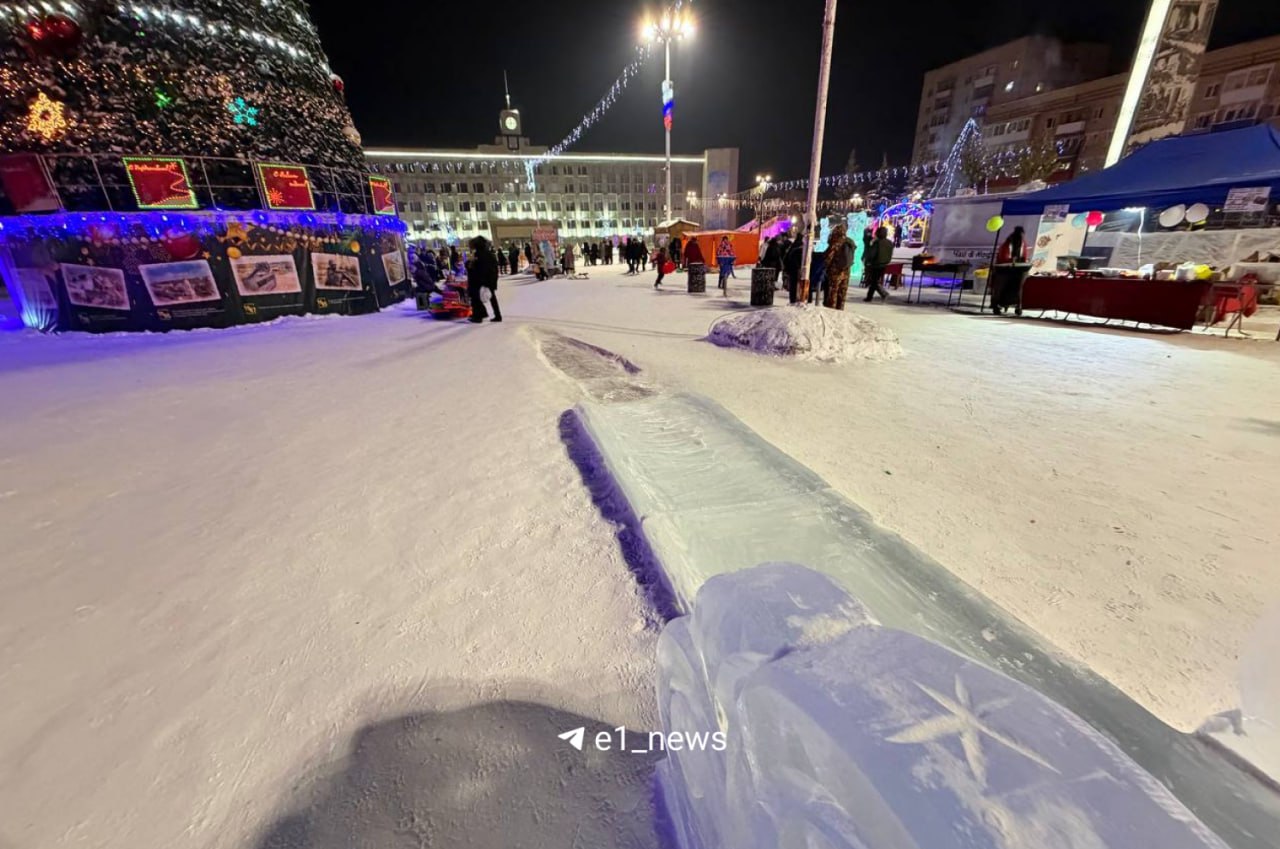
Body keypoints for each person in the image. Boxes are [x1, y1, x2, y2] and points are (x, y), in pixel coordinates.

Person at [992, 226, 1030, 315]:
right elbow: (1003, 257)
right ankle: (996, 305)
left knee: (1019, 286)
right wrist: (1011, 260)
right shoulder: (1006, 244)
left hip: (1018, 269)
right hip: (1003, 269)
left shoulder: (1023, 243)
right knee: (1000, 287)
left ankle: (1018, 305)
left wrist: (1023, 261)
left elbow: (1024, 255)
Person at [466, 235, 501, 323]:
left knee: (475, 297)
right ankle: (497, 315)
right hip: (490, 279)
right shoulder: (489, 254)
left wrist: (469, 265)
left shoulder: (479, 255)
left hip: (481, 280)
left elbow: (476, 268)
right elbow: (494, 267)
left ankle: (478, 316)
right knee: (492, 297)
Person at [822, 225, 855, 310]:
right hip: (846, 271)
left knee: (833, 292)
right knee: (842, 293)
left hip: (835, 271)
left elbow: (828, 257)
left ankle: (831, 310)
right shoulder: (849, 241)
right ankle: (840, 310)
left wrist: (824, 265)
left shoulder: (836, 242)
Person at [863, 226, 893, 303]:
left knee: (873, 281)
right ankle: (870, 297)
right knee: (874, 281)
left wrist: (868, 261)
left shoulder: (877, 243)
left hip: (876, 264)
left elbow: (872, 254)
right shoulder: (889, 243)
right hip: (884, 264)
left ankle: (882, 294)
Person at [783, 235, 804, 304]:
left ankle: (792, 300)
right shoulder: (801, 248)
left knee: (793, 285)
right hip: (799, 269)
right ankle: (798, 299)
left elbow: (786, 258)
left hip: (792, 269)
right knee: (799, 285)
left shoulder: (793, 246)